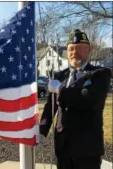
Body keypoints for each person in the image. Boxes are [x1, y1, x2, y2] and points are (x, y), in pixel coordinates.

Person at [39, 29, 111, 169]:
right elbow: (51, 107)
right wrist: (41, 130)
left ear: (89, 49)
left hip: (87, 149)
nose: (74, 52)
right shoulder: (60, 76)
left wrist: (60, 90)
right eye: (71, 49)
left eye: (79, 48)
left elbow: (91, 100)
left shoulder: (100, 74)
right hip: (62, 146)